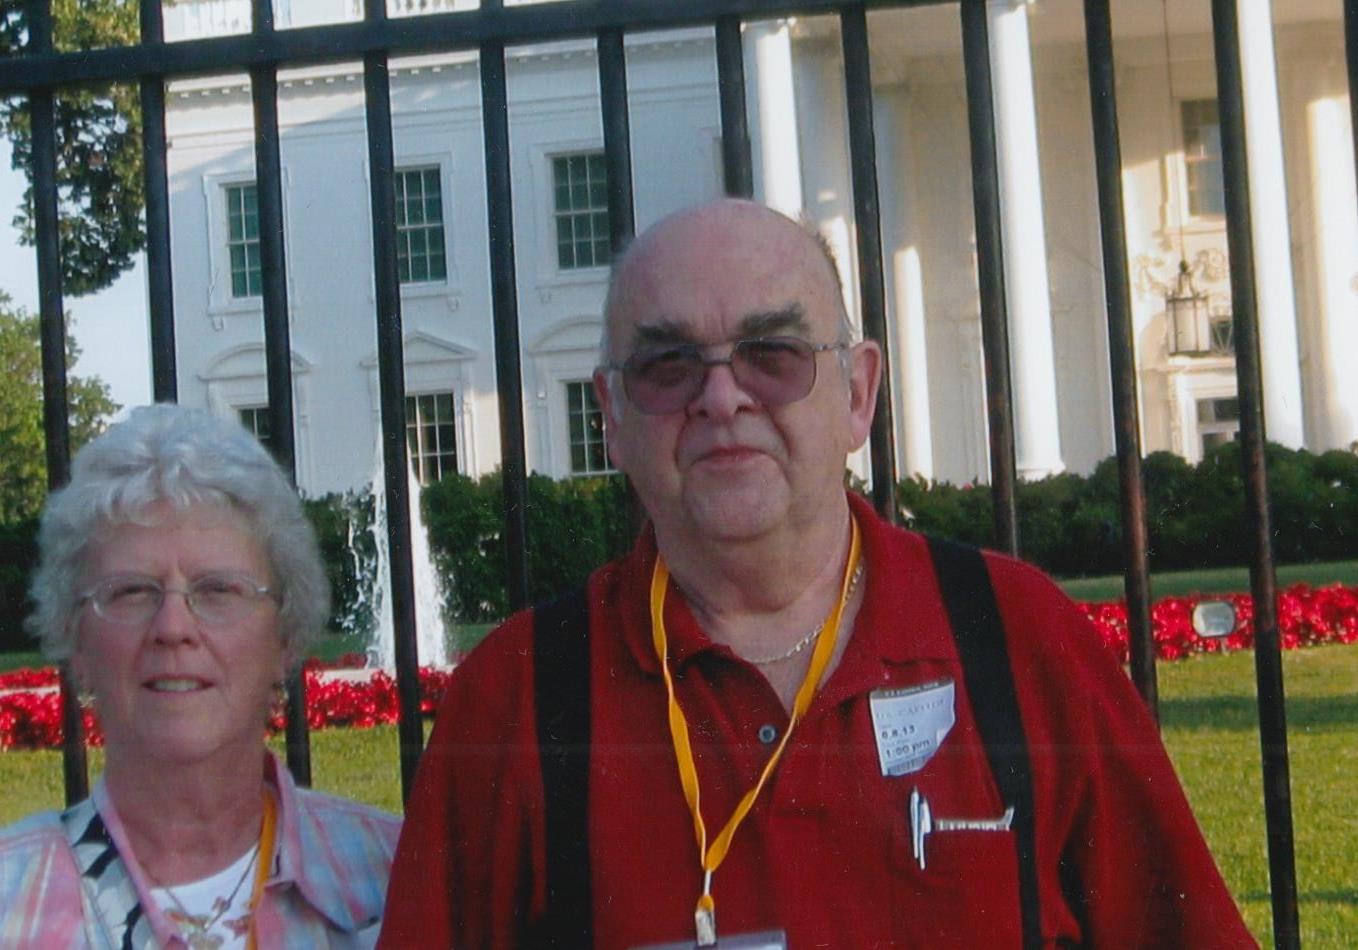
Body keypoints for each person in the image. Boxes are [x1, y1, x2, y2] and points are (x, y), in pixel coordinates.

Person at [380, 199, 1255, 947]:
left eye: (772, 353)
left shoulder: (1016, 635)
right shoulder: (517, 695)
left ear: (858, 393)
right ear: (610, 414)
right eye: (666, 365)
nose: (721, 398)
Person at [0, 404, 400, 948]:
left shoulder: (394, 876)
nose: (173, 627)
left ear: (285, 637)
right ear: (76, 643)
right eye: (131, 591)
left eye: (218, 590)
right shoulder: (12, 896)